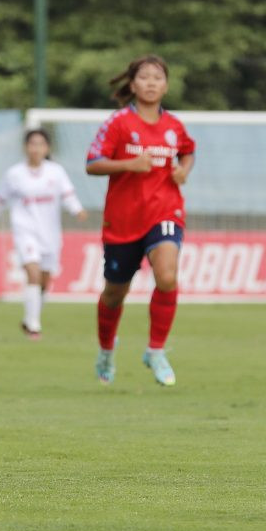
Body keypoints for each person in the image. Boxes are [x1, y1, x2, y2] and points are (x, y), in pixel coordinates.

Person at [86, 55, 195, 386]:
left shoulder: (174, 126)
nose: (151, 83)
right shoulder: (118, 123)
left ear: (166, 85)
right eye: (144, 77)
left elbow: (188, 151)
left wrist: (183, 171)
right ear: (132, 84)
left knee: (166, 275)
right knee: (114, 294)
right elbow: (92, 163)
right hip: (122, 221)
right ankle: (106, 350)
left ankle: (156, 350)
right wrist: (128, 165)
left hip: (164, 211)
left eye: (157, 77)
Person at [0, 129, 87, 339]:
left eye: (40, 144)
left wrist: (77, 209)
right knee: (33, 273)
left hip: (50, 234)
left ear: (47, 148)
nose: (36, 148)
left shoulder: (56, 172)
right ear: (25, 147)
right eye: (32, 144)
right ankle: (34, 326)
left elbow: (68, 196)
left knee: (45, 281)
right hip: (25, 231)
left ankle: (29, 319)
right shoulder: (14, 175)